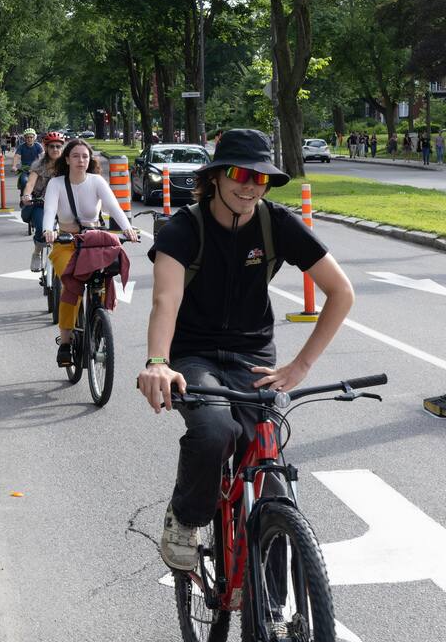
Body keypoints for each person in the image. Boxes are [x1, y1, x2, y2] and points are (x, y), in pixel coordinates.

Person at [136, 129, 354, 570]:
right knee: (215, 431)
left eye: (262, 178)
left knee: (270, 480)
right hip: (193, 356)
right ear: (216, 176)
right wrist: (158, 362)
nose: (251, 186)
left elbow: (341, 292)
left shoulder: (276, 224)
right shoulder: (185, 228)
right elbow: (166, 301)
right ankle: (186, 517)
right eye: (240, 174)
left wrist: (301, 365)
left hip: (253, 358)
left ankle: (273, 608)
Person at [37, 139, 139, 366]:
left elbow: (114, 207)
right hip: (66, 243)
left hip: (93, 242)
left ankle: (97, 319)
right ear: (67, 159)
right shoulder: (56, 183)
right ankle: (65, 342)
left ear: (90, 160)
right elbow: (49, 210)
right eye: (75, 156)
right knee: (71, 286)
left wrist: (127, 228)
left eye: (85, 156)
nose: (81, 160)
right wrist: (48, 230)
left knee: (104, 277)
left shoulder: (96, 181)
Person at [20, 131, 66, 271]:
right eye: (51, 146)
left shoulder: (68, 164)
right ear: (46, 147)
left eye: (58, 146)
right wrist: (27, 195)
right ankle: (37, 253)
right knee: (41, 229)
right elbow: (30, 183)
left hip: (63, 204)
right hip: (41, 203)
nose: (55, 149)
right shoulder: (39, 164)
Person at [12, 129, 44, 193]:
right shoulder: (21, 147)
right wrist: (14, 166)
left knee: (42, 183)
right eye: (27, 137)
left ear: (34, 138)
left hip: (36, 169)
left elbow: (43, 156)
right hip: (25, 169)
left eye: (31, 137)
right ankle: (23, 195)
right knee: (24, 181)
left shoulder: (38, 146)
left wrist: (44, 165)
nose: (29, 139)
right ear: (25, 138)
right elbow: (17, 156)